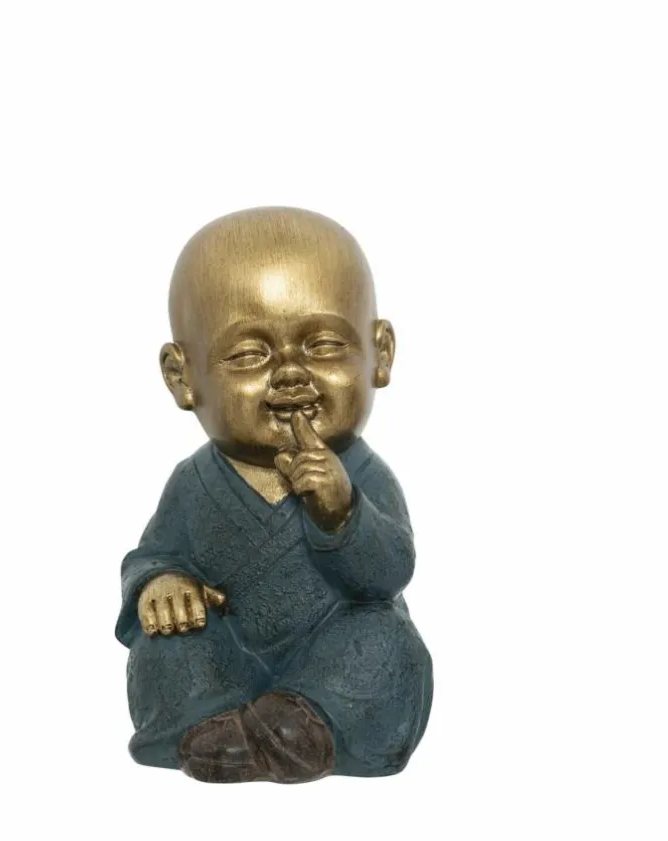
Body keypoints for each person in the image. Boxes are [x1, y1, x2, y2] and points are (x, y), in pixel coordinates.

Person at [117, 207, 433, 782]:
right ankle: (207, 726)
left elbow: (389, 574)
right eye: (249, 355)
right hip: (225, 660)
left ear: (380, 354)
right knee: (167, 640)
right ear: (182, 378)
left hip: (332, 663)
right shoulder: (193, 483)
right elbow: (153, 554)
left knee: (385, 640)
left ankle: (302, 726)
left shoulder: (365, 474)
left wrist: (343, 512)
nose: (290, 375)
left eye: (324, 346)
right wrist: (159, 584)